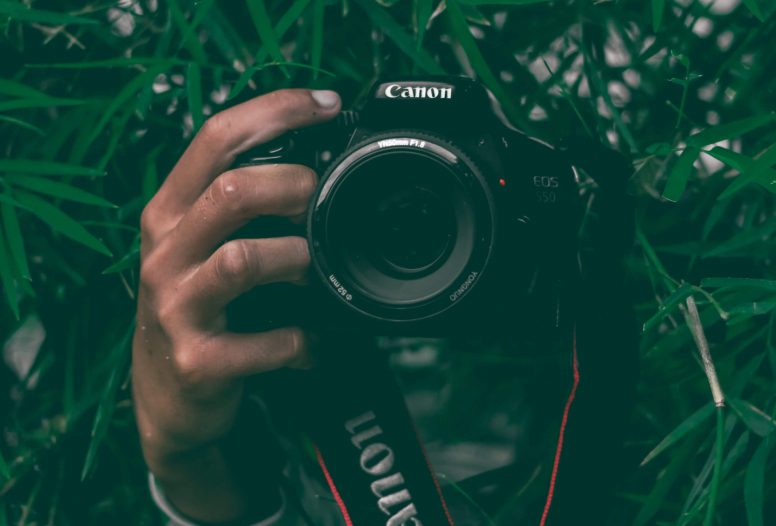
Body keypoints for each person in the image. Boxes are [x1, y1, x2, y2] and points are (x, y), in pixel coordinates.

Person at [133, 87, 638, 525]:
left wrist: (185, 468)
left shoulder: (623, 394)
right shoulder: (285, 366)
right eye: (377, 193)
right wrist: (183, 453)